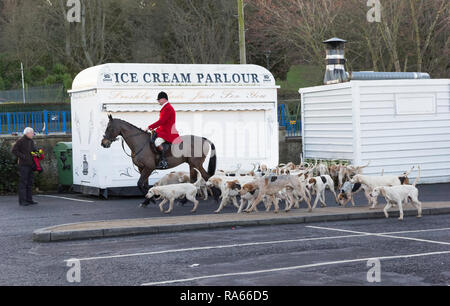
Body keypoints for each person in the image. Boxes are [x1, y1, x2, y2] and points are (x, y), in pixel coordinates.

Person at [146, 92, 182, 169]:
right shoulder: (165, 107)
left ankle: (163, 161)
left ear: (163, 99)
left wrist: (150, 127)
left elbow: (161, 121)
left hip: (168, 132)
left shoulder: (168, 108)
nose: (158, 101)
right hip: (163, 130)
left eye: (159, 99)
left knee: (157, 142)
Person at [12, 127, 38, 206]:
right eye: (32, 133)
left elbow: (33, 150)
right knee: (23, 183)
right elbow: (14, 150)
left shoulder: (31, 141)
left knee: (30, 183)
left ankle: (29, 200)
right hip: (23, 165)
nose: (33, 134)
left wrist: (37, 152)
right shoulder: (20, 141)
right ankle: (22, 201)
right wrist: (23, 156)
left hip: (30, 165)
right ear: (27, 133)